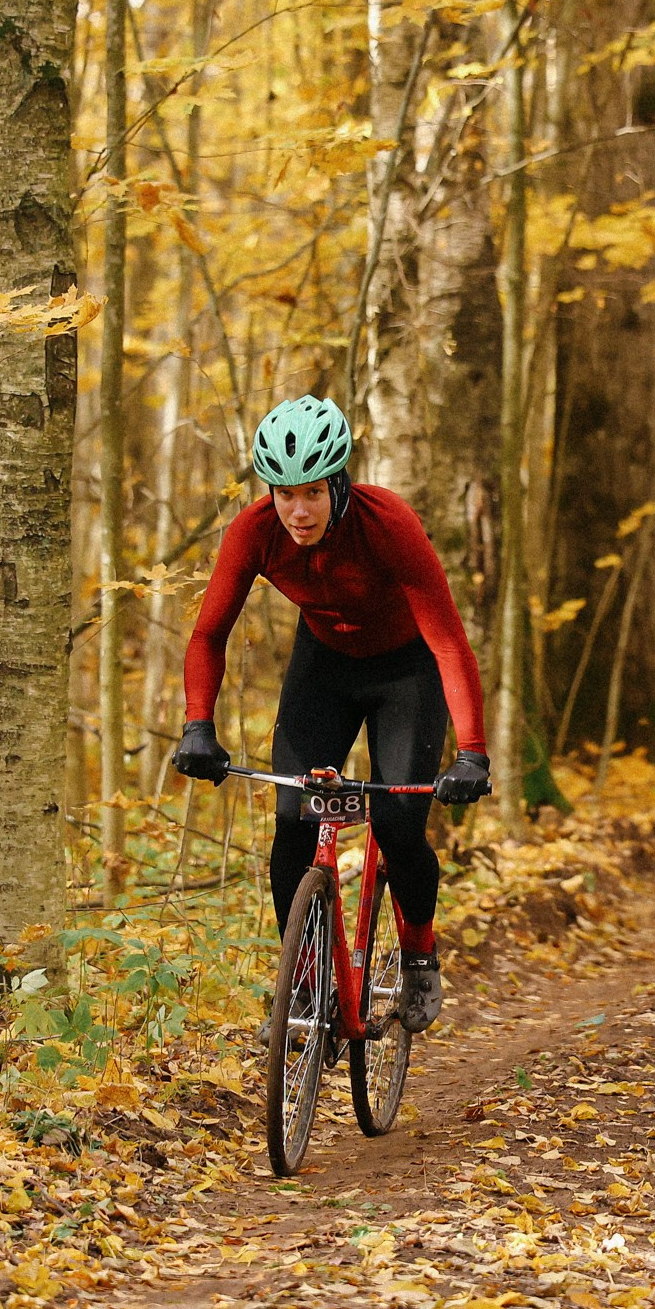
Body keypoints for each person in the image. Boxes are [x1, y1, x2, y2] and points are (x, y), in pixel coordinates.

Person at [171, 395, 490, 1034]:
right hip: (324, 667)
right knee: (293, 820)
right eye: (283, 494)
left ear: (337, 482)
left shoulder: (388, 524)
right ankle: (306, 981)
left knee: (400, 830)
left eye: (311, 493)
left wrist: (472, 751)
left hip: (405, 671)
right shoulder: (253, 532)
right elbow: (209, 635)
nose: (297, 510)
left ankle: (420, 953)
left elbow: (450, 642)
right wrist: (198, 725)